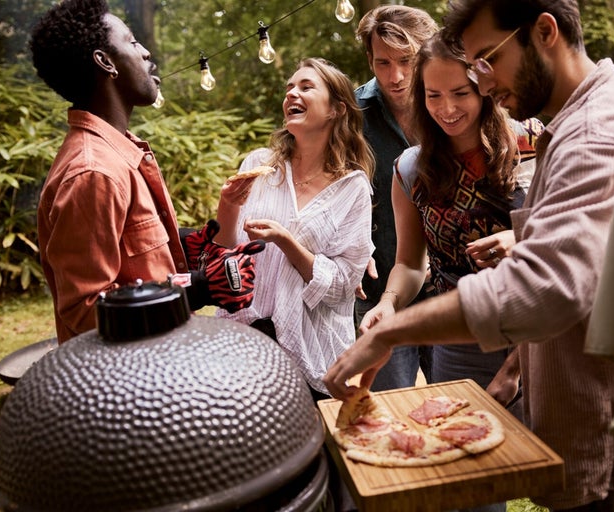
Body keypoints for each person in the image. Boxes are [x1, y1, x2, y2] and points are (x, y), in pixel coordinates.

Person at [324, 1, 614, 510]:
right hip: (581, 394)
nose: (484, 83)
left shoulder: (590, 134)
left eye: (488, 59)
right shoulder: (596, 114)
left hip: (608, 435)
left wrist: (392, 330)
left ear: (544, 32)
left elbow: (543, 287)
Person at [31, 0, 262, 344]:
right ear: (105, 62)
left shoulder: (120, 151)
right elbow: (85, 309)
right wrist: (196, 289)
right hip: (126, 382)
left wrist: (190, 246)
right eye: (133, 42)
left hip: (158, 358)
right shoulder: (93, 172)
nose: (147, 52)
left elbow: (131, 256)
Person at [360, 32, 541, 415]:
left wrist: (520, 237)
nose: (447, 109)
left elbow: (566, 243)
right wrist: (390, 304)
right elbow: (410, 264)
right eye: (434, 95)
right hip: (457, 343)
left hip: (538, 338)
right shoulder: (411, 169)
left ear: (486, 88)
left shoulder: (534, 144)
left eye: (461, 93)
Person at [213, 57, 375, 402]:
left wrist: (286, 241)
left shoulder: (352, 188)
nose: (291, 94)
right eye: (289, 88)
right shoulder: (258, 166)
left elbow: (344, 285)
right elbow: (223, 255)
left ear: (336, 109)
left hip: (313, 352)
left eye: (305, 87)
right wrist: (227, 206)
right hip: (245, 343)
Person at [353, 4, 439, 391]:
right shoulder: (351, 115)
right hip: (380, 292)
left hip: (452, 290)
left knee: (465, 409)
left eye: (407, 60)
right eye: (383, 62)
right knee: (392, 412)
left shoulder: (453, 105)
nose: (396, 75)